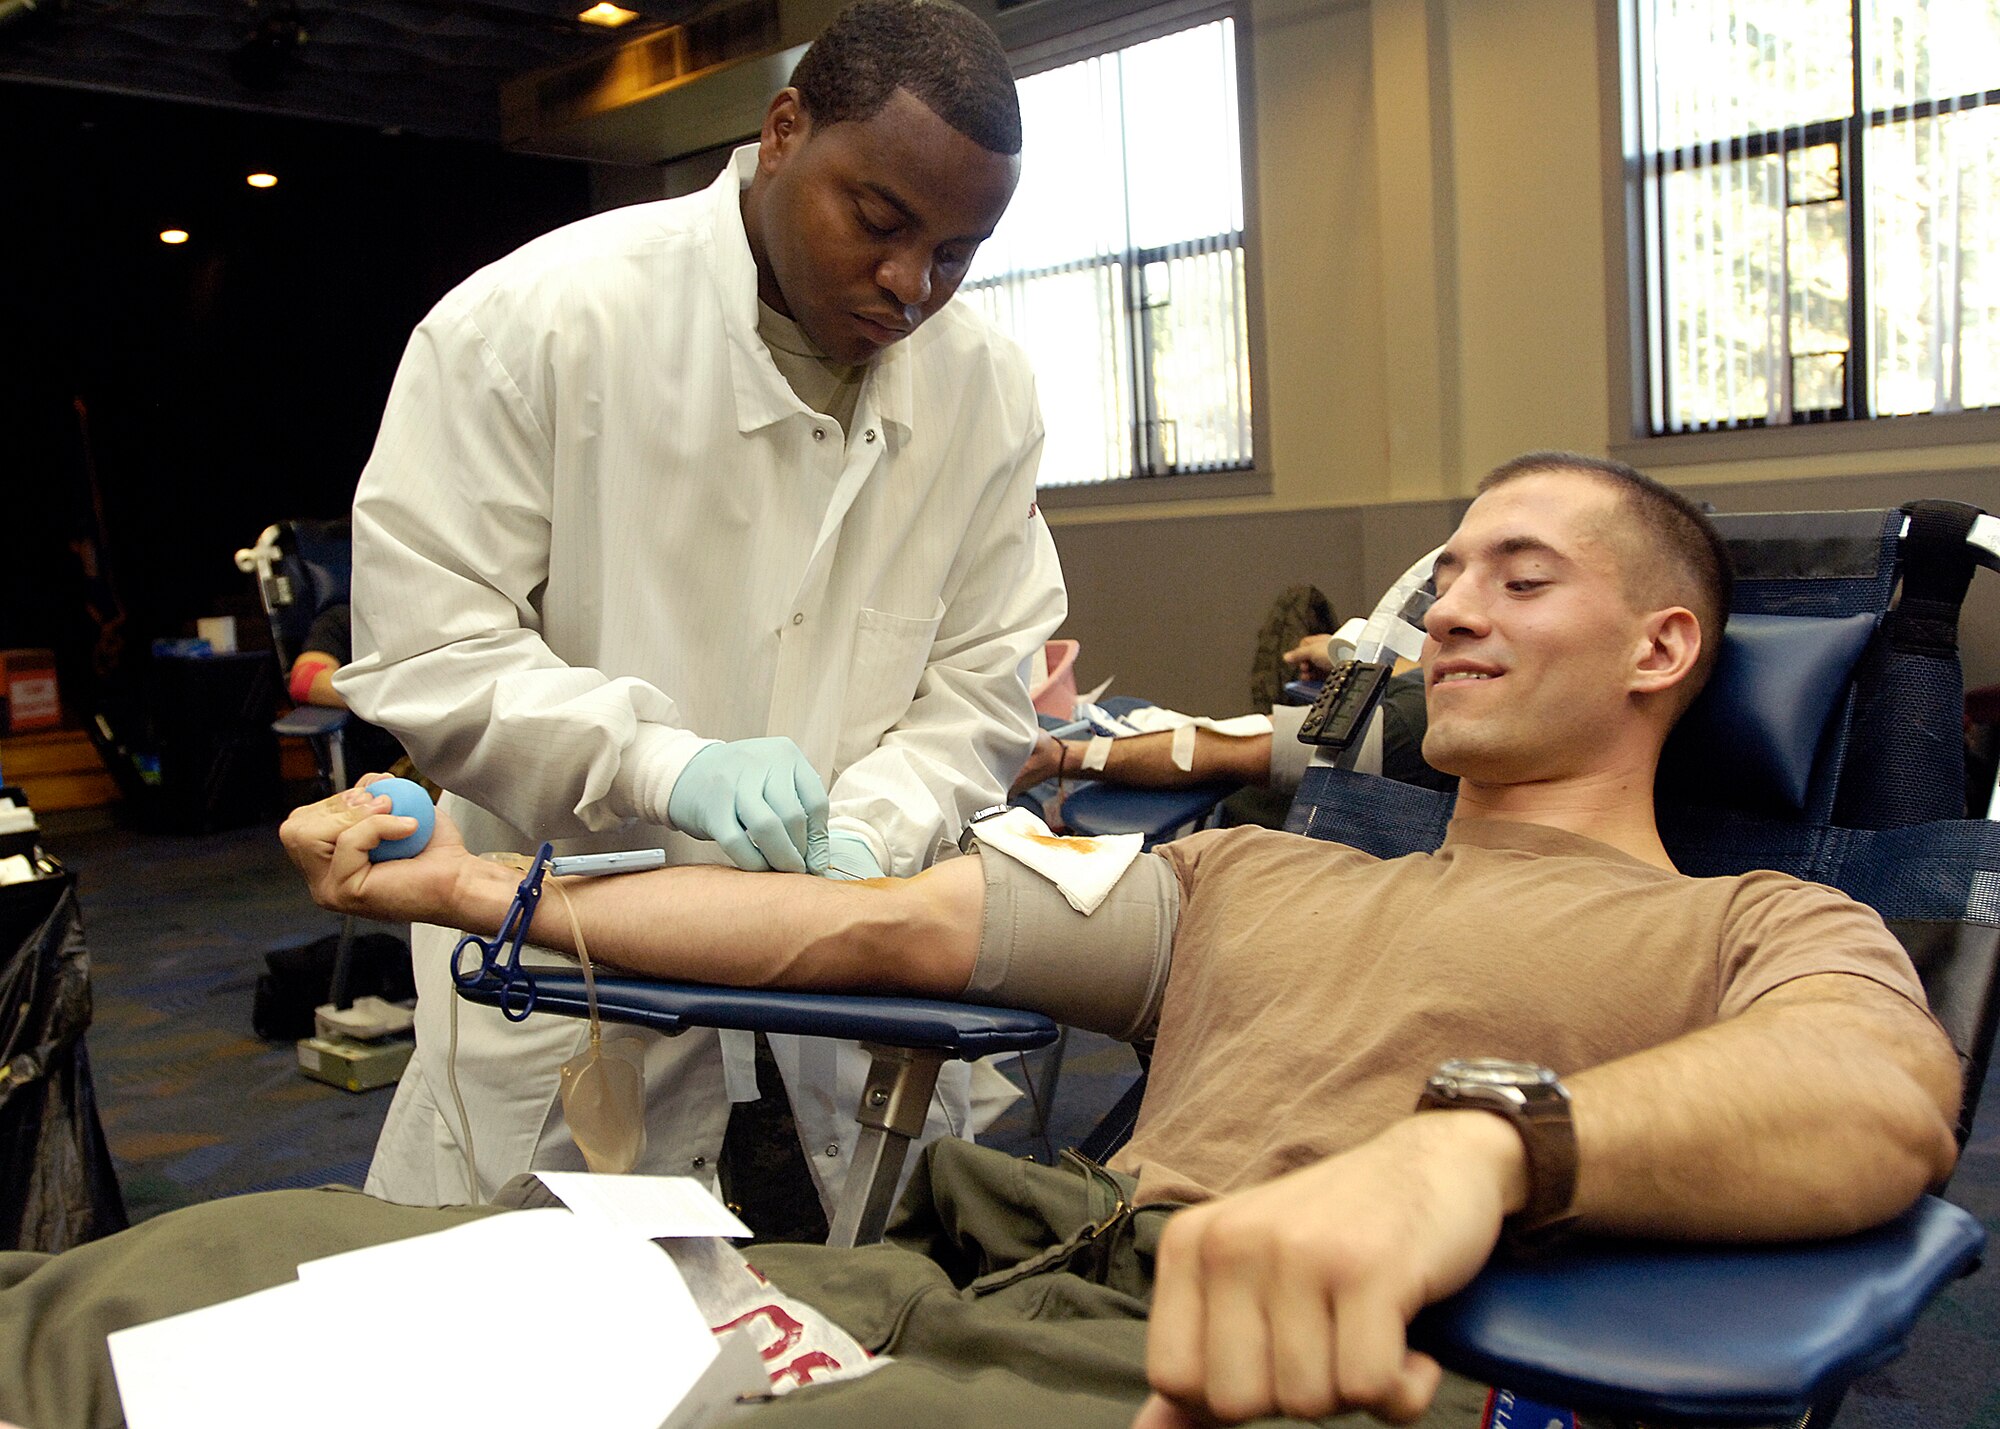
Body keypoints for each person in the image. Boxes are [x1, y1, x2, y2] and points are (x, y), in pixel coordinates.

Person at [0, 454, 1960, 1429]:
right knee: (169, 1305)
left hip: (1228, 1381)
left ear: (1663, 649)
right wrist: (466, 888)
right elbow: (861, 929)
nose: (1444, 611)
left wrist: (1471, 1147)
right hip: (958, 1277)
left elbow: (1880, 1094)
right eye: (1443, 577)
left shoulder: (1749, 921)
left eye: (1513, 579)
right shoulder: (1247, 874)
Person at [334, 0, 1067, 1213]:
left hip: (849, 1013)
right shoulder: (535, 326)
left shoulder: (982, 390)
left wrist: (871, 831)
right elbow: (428, 653)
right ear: (781, 132)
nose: (908, 283)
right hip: (583, 1000)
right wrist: (658, 764)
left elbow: (987, 671)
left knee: (861, 1338)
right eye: (877, 222)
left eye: (955, 252)